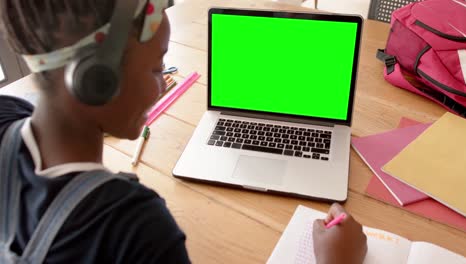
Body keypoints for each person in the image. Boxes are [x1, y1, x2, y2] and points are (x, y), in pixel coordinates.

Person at [0, 1, 367, 263]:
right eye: (158, 67)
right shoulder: (134, 228)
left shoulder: (6, 115)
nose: (164, 84)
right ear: (97, 80)